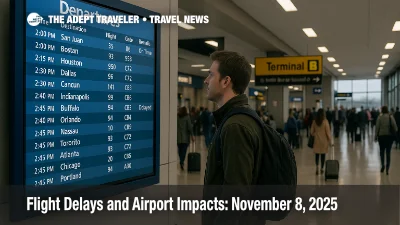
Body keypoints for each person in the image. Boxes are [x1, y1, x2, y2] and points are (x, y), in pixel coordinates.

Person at [202, 50, 266, 225]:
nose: (206, 80)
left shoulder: (235, 126)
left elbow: (235, 194)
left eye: (210, 75)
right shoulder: (242, 118)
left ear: (225, 81)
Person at [375, 106, 398, 175]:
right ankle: (387, 169)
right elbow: (395, 127)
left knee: (382, 152)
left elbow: (377, 127)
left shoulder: (379, 117)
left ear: (382, 110)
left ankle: (383, 165)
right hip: (389, 137)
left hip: (381, 137)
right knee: (388, 153)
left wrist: (375, 136)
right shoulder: (390, 117)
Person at [311, 108, 333, 175]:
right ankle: (322, 168)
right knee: (323, 155)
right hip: (324, 141)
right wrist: (330, 142)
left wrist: (316, 134)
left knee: (317, 155)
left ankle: (317, 167)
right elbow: (328, 133)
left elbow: (311, 132)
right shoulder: (325, 121)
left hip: (317, 141)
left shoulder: (314, 121)